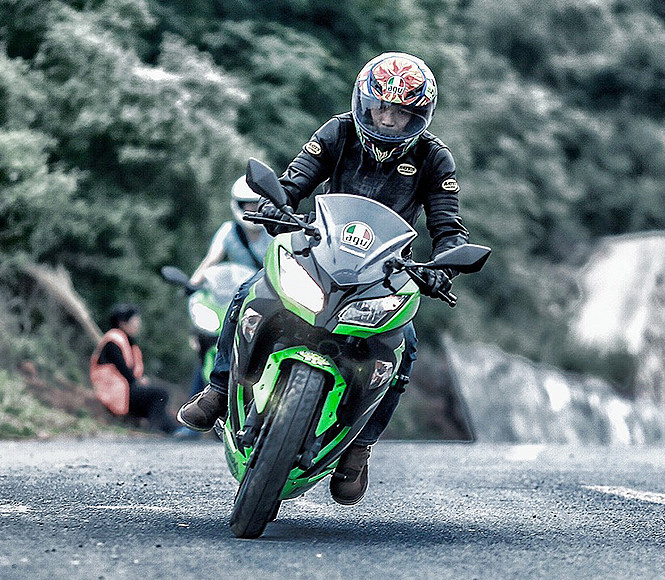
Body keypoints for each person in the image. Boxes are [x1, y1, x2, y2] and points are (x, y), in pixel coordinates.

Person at [178, 52, 470, 503]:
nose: (387, 119)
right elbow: (295, 181)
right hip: (318, 251)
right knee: (248, 293)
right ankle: (218, 390)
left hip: (387, 274)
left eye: (400, 112)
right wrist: (276, 204)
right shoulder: (337, 132)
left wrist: (444, 266)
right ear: (364, 102)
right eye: (380, 107)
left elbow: (449, 228)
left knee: (405, 348)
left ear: (419, 116)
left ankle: (359, 447)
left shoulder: (434, 159)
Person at [185, 177, 273, 395]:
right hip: (232, 299)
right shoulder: (228, 231)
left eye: (257, 205)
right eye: (248, 205)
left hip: (265, 300)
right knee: (209, 343)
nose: (253, 210)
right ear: (238, 205)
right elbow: (210, 260)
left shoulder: (273, 232)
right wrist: (192, 285)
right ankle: (199, 402)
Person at [90, 304, 192, 437]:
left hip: (123, 391)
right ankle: (157, 429)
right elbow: (124, 370)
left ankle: (176, 430)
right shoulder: (113, 341)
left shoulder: (126, 341)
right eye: (135, 321)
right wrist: (138, 382)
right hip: (114, 394)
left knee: (159, 402)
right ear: (123, 323)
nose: (138, 324)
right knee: (160, 394)